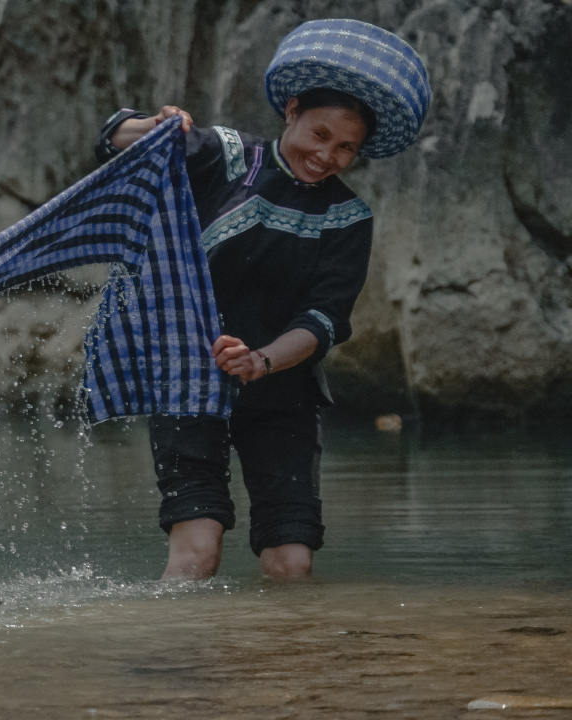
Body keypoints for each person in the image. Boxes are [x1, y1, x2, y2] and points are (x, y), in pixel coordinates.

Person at [93, 19, 431, 581]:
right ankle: (177, 659)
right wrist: (156, 126)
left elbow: (323, 321)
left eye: (347, 148)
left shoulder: (348, 218)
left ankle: (282, 664)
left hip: (283, 391)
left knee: (290, 562)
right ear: (292, 110)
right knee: (198, 551)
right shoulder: (226, 157)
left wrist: (262, 361)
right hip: (188, 381)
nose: (328, 156)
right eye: (320, 135)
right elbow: (114, 139)